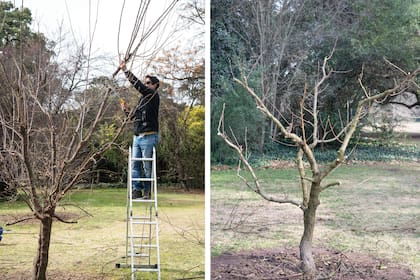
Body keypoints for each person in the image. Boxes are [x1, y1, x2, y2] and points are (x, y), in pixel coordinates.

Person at [119, 61, 160, 199]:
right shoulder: (142, 100)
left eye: (148, 83)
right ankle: (137, 191)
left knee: (147, 166)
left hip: (149, 136)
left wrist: (126, 71)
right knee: (135, 165)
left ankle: (148, 192)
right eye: (146, 83)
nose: (146, 84)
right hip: (137, 137)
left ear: (155, 86)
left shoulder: (153, 96)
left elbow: (139, 86)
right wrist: (126, 111)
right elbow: (134, 117)